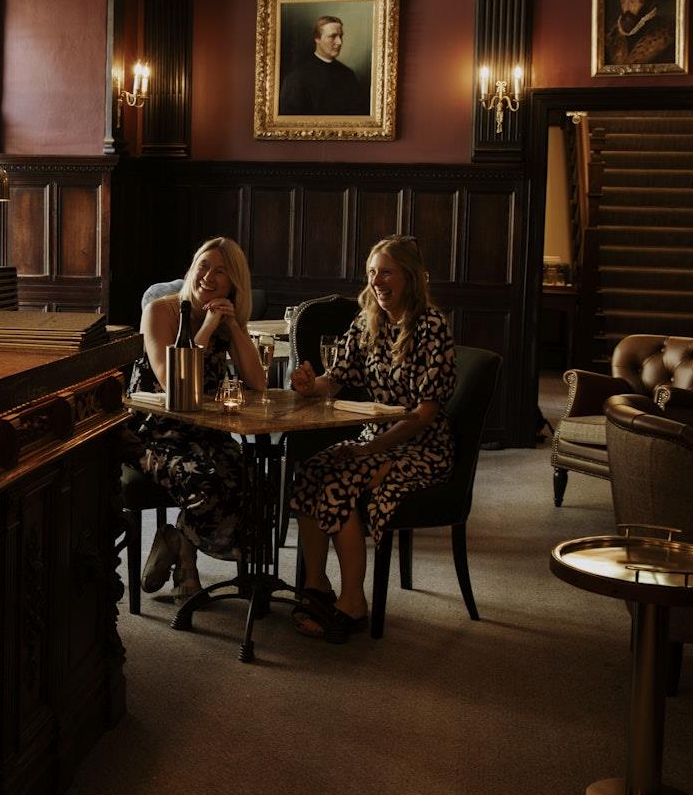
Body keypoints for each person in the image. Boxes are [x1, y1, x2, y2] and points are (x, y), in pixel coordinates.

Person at [287, 234, 456, 643]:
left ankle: (352, 602)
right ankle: (316, 586)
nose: (377, 282)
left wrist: (368, 450)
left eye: (386, 273)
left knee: (340, 480)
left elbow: (424, 415)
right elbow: (335, 379)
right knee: (309, 473)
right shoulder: (367, 321)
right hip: (374, 437)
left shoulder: (432, 326)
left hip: (422, 446)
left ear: (409, 277)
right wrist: (310, 385)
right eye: (371, 273)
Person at [127, 237, 268, 600]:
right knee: (204, 480)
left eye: (221, 271)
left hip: (206, 432)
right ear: (192, 268)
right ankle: (184, 560)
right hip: (154, 432)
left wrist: (233, 326)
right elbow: (171, 381)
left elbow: (257, 381)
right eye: (203, 266)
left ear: (233, 283)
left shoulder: (224, 319)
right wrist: (204, 328)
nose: (209, 276)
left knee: (249, 477)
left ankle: (178, 542)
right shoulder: (160, 311)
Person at [278, 15, 367, 116]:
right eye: (333, 36)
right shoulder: (297, 78)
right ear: (317, 39)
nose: (339, 42)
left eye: (340, 36)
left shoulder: (348, 75)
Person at [604, 0, 674, 66]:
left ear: (648, 4)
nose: (626, 8)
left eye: (632, 1)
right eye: (623, 2)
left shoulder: (667, 34)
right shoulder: (611, 35)